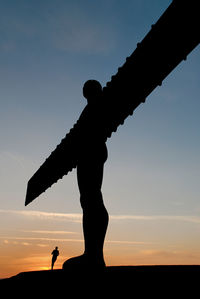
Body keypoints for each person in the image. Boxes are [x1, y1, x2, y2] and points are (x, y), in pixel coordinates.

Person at [63, 80, 109, 270]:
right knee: (88, 200)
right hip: (87, 155)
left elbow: (89, 132)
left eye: (89, 87)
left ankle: (94, 255)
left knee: (92, 199)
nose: (85, 89)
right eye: (85, 87)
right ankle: (91, 252)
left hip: (92, 154)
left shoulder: (98, 105)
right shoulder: (89, 109)